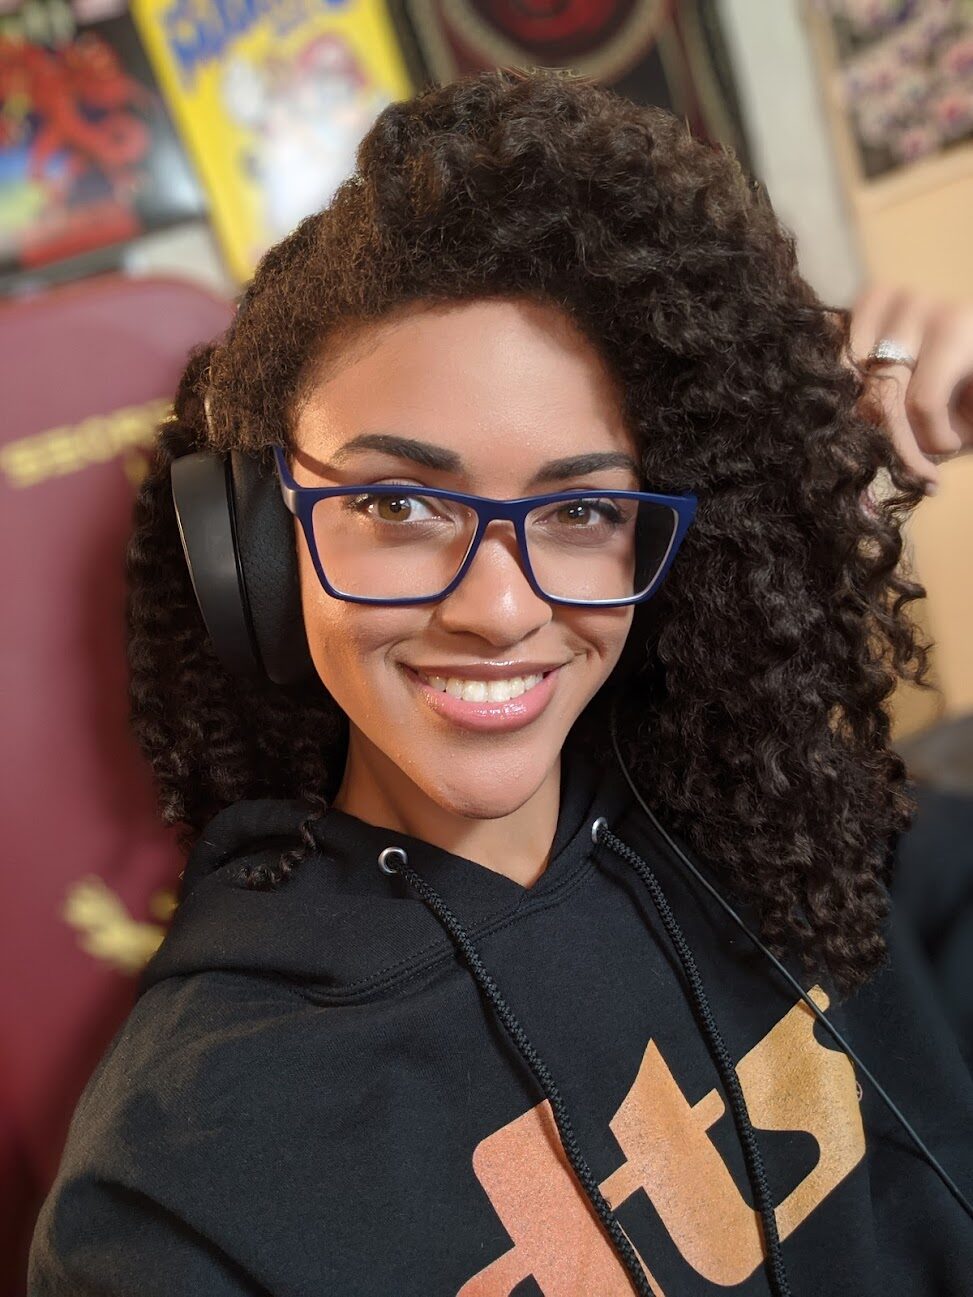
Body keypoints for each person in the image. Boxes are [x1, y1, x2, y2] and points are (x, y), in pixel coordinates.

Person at [28, 68, 973, 1297]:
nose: (501, 610)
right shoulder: (174, 1192)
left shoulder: (784, 829)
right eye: (398, 503)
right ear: (252, 545)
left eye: (580, 509)